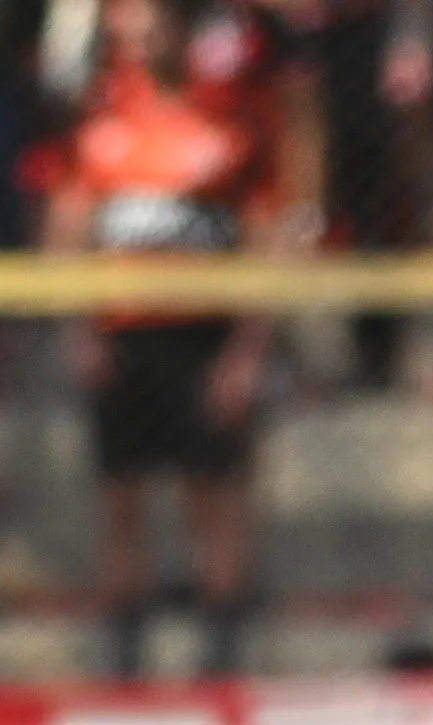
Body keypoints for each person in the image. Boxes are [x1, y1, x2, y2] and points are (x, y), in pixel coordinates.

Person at [36, 0, 280, 676]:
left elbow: (263, 243)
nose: (137, 45)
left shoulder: (230, 124)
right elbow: (66, 233)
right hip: (123, 336)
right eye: (125, 35)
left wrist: (246, 351)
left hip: (203, 335)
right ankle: (125, 650)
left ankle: (219, 648)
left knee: (212, 493)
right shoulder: (96, 125)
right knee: (120, 494)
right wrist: (76, 330)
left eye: (149, 30)